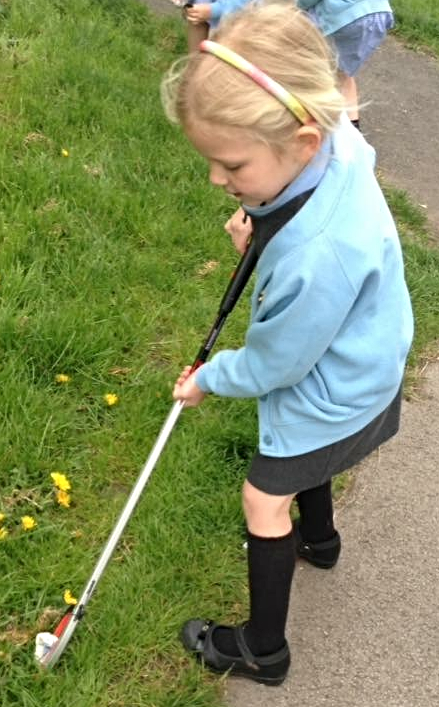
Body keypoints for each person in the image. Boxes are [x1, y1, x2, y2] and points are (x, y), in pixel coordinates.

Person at [161, 2, 413, 686]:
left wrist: (209, 377)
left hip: (335, 389)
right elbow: (302, 205)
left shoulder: (315, 257)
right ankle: (321, 541)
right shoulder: (339, 143)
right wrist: (262, 222)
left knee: (262, 500)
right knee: (310, 460)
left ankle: (262, 650)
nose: (218, 179)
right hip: (370, 364)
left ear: (300, 139)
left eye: (232, 164)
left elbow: (276, 362)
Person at [297, 0, 395, 130]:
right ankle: (353, 130)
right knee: (343, 74)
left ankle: (307, 118)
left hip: (344, 17)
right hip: (378, 14)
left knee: (308, 63)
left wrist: (296, 5)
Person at [175, 0, 255, 52]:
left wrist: (214, 10)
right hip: (208, 9)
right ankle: (194, 67)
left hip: (242, 18)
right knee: (195, 18)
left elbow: (246, 4)